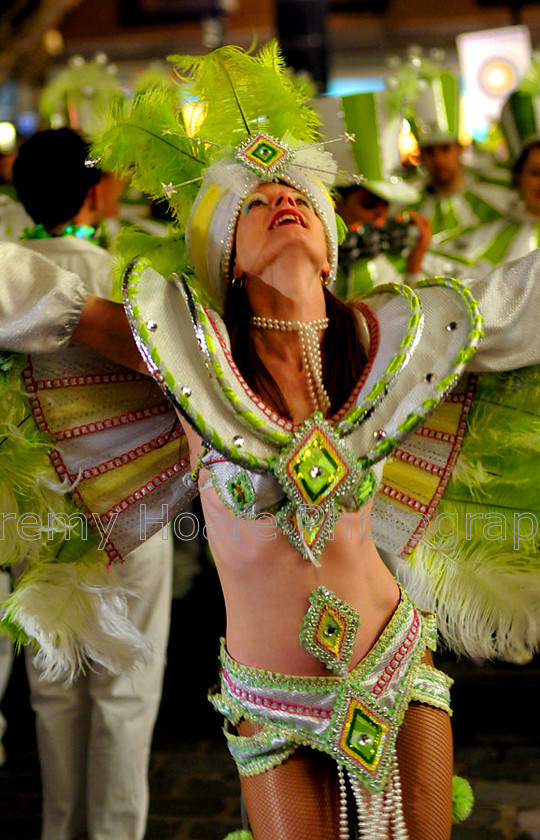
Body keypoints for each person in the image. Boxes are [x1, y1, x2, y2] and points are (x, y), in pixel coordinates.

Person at [0, 44, 538, 840]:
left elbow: (517, 301)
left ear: (328, 247)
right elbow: (28, 296)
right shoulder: (186, 356)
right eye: (256, 202)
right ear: (227, 255)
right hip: (272, 698)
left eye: (297, 195)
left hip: (397, 664)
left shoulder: (388, 341)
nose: (282, 201)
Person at [10, 127, 174, 840]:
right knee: (126, 694)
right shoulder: (131, 278)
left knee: (53, 692)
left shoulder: (11, 277)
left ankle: (59, 831)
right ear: (101, 192)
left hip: (32, 516)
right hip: (129, 513)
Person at [315, 90, 432, 298]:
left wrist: (414, 266)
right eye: (368, 204)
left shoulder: (402, 257)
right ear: (334, 203)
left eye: (387, 203)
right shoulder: (311, 267)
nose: (381, 216)